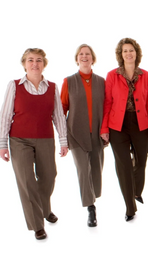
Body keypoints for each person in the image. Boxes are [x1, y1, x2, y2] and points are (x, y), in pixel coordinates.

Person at [0, 48, 68, 240]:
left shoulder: (53, 87)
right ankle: (37, 224)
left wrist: (63, 140)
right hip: (19, 140)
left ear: (44, 64)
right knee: (27, 181)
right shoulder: (14, 86)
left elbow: (58, 116)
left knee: (49, 177)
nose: (34, 64)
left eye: (38, 60)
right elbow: (5, 116)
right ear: (24, 64)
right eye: (30, 60)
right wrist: (2, 144)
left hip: (46, 138)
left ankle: (45, 209)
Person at [100, 38, 148, 221]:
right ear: (121, 54)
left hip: (141, 124)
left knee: (141, 161)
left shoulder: (146, 75)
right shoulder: (112, 75)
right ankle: (130, 207)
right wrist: (104, 128)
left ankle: (136, 191)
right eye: (125, 51)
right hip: (118, 126)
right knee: (123, 166)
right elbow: (107, 103)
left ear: (136, 53)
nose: (128, 53)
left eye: (131, 50)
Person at [60, 44, 105, 227]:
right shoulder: (69, 81)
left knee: (96, 170)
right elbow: (62, 108)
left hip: (98, 133)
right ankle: (90, 208)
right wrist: (62, 137)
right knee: (83, 170)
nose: (84, 56)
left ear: (92, 58)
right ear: (77, 59)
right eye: (81, 54)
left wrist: (106, 130)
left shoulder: (102, 81)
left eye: (87, 54)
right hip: (76, 133)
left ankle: (93, 197)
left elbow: (107, 107)